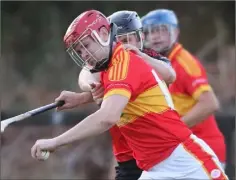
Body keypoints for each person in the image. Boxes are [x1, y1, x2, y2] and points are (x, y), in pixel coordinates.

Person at [31, 10, 228, 180]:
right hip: (154, 169)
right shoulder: (110, 67)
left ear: (103, 34)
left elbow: (107, 117)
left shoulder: (124, 62)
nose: (84, 54)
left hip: (184, 161)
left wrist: (55, 142)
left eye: (86, 46)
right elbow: (106, 90)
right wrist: (81, 98)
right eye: (79, 51)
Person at [141, 9, 226, 169]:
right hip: (181, 151)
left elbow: (210, 103)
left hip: (204, 150)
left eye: (162, 30)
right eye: (150, 32)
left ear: (176, 32)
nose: (155, 36)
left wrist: (171, 130)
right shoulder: (155, 64)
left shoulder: (184, 62)